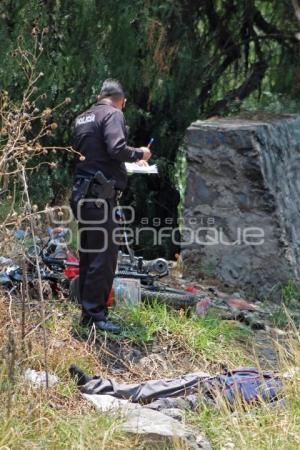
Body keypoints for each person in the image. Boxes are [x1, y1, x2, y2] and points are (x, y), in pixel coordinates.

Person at [70, 79, 151, 333]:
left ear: (99, 96)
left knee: (90, 254)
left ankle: (88, 313)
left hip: (82, 194)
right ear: (122, 101)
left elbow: (91, 154)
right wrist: (140, 154)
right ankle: (96, 317)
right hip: (99, 195)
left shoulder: (83, 117)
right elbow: (116, 148)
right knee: (104, 257)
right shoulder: (113, 114)